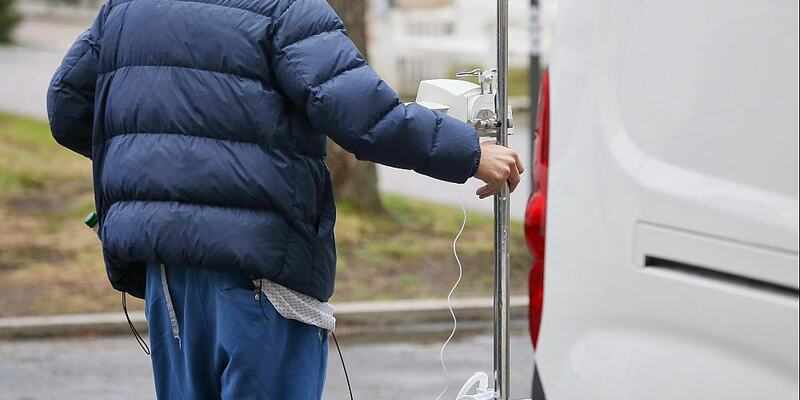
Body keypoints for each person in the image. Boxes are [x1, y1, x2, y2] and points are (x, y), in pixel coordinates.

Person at [47, 0, 524, 398]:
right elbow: (362, 113)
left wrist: (163, 161)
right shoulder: (285, 6)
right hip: (257, 270)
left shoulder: (126, 7)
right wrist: (468, 152)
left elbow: (68, 104)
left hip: (166, 275)